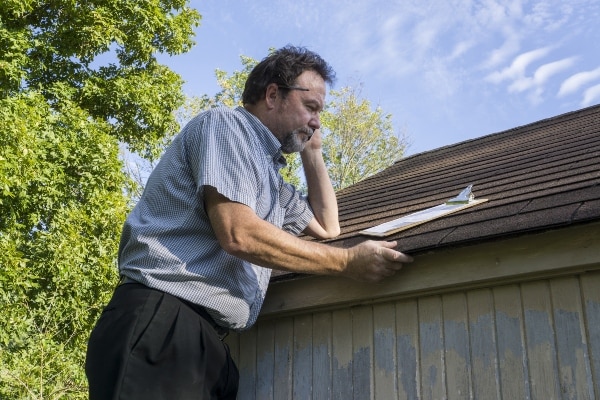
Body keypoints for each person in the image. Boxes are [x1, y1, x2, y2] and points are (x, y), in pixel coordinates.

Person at [85, 45, 413, 399]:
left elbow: (327, 227)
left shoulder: (272, 180)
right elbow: (238, 233)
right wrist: (347, 262)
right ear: (273, 95)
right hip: (164, 325)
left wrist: (313, 152)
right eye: (311, 107)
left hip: (207, 344)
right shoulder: (227, 127)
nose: (317, 121)